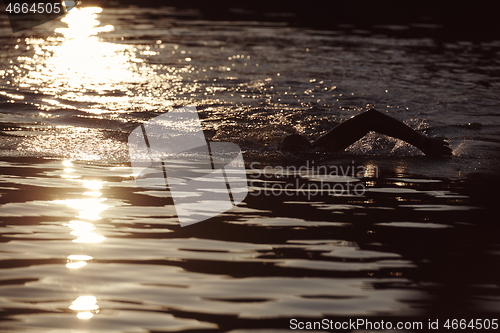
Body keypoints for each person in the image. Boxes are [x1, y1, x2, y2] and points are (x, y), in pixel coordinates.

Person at [278, 108, 452, 156]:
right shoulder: (323, 152)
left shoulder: (321, 151)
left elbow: (370, 118)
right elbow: (370, 119)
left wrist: (424, 143)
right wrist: (424, 143)